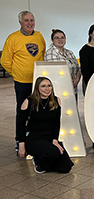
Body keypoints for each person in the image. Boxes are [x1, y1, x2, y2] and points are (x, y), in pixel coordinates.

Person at [1, 11, 46, 153]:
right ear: (20, 22)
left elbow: (42, 55)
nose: (30, 23)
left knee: (37, 111)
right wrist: (16, 73)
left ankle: (34, 137)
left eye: (32, 20)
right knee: (23, 112)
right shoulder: (13, 38)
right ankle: (19, 140)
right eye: (26, 20)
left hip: (37, 82)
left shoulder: (39, 36)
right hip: (22, 82)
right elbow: (5, 61)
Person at [18, 77, 74, 174]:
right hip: (34, 138)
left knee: (66, 167)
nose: (47, 89)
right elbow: (20, 125)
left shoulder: (56, 100)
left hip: (49, 138)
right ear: (37, 88)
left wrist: (55, 140)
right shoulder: (29, 101)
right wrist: (21, 145)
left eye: (49, 86)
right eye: (43, 86)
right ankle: (39, 162)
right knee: (54, 152)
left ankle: (47, 160)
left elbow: (57, 123)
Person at [44, 29, 81, 100]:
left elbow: (78, 69)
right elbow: (54, 73)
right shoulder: (50, 53)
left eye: (62, 37)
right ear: (52, 40)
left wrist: (77, 79)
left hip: (73, 90)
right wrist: (69, 82)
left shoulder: (69, 52)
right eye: (57, 38)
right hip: (59, 91)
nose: (60, 40)